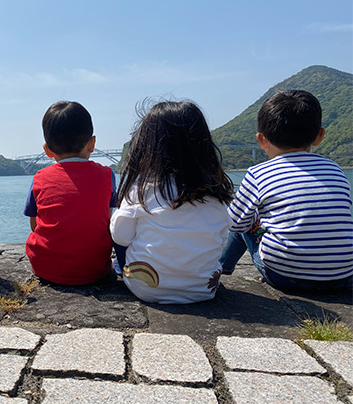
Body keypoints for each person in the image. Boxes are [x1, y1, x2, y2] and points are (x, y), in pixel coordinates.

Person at [219, 90, 353, 292]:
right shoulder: (335, 169)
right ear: (319, 136)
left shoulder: (258, 173)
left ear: (261, 139)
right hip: (344, 276)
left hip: (286, 276)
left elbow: (234, 223)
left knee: (245, 219)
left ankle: (221, 269)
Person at [110, 100, 234, 304]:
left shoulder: (142, 189)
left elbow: (120, 237)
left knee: (122, 229)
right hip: (205, 288)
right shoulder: (215, 193)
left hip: (146, 288)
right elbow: (221, 242)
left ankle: (123, 268)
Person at [23, 101, 116, 285]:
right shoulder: (107, 175)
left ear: (47, 150)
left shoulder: (39, 178)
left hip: (46, 268)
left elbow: (34, 225)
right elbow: (106, 219)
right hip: (95, 268)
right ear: (92, 143)